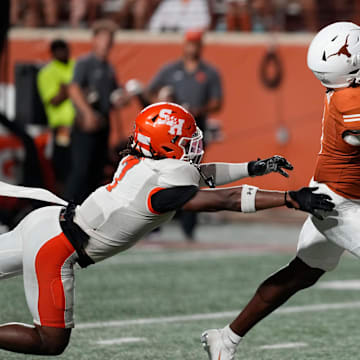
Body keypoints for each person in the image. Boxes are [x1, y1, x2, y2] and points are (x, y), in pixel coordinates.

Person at [0, 102, 334, 356]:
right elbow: (224, 200)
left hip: (47, 222)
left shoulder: (142, 159)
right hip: (56, 249)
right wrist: (289, 198)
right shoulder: (160, 188)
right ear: (164, 145)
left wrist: (254, 167)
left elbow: (202, 174)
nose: (193, 145)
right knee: (52, 341)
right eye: (184, 140)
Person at [201, 21, 360, 360]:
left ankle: (225, 338)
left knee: (300, 274)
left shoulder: (344, 90)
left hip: (335, 197)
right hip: (338, 206)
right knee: (299, 274)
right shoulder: (349, 99)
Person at [147, 29, 223, 240]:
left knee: (190, 177)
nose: (193, 47)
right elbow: (151, 91)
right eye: (190, 43)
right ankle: (154, 226)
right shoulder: (170, 70)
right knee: (162, 175)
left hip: (194, 134)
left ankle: (188, 228)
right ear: (184, 45)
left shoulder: (209, 72)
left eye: (196, 43)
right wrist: (164, 104)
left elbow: (217, 102)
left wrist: (198, 110)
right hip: (169, 134)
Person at [65, 19, 129, 204]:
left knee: (96, 170)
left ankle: (88, 212)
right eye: (103, 38)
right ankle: (67, 209)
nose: (106, 43)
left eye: (109, 39)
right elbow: (74, 89)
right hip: (85, 126)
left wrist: (122, 99)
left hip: (103, 124)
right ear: (95, 39)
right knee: (80, 170)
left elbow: (112, 96)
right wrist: (87, 113)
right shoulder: (85, 63)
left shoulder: (109, 68)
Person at [37, 39, 75, 194]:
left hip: (79, 127)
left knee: (79, 165)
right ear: (52, 53)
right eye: (58, 50)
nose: (63, 53)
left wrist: (68, 88)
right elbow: (53, 100)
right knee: (63, 164)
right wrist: (69, 90)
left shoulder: (76, 65)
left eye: (64, 49)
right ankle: (62, 198)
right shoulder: (47, 73)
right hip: (62, 128)